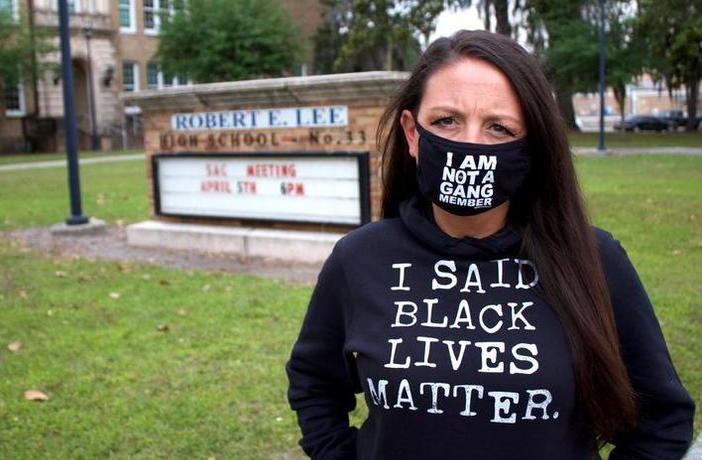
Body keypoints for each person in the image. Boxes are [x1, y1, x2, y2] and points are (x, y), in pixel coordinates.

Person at [285, 30, 695, 460]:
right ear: (411, 133)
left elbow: (662, 419)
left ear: (531, 146)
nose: (469, 145)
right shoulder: (360, 258)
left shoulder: (593, 260)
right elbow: (314, 382)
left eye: (499, 128)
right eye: (446, 121)